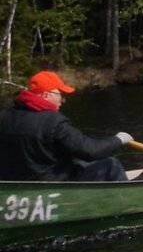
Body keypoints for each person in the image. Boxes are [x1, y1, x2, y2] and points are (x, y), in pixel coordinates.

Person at [0, 71, 131, 181]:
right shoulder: (53, 122)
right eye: (60, 95)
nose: (63, 100)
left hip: (15, 182)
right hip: (49, 185)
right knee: (111, 164)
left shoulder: (4, 116)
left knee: (78, 162)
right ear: (46, 95)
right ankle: (129, 206)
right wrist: (118, 140)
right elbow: (91, 151)